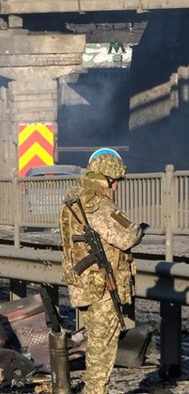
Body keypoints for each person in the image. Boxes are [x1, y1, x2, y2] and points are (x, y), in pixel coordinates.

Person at [58, 148, 144, 394]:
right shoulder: (97, 203)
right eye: (114, 181)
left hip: (84, 283)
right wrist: (139, 230)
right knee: (102, 345)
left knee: (96, 340)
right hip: (101, 287)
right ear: (106, 177)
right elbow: (127, 236)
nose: (116, 187)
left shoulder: (72, 199)